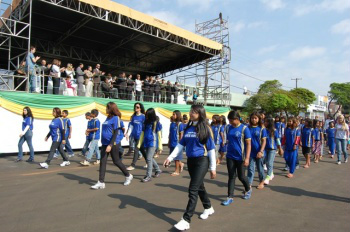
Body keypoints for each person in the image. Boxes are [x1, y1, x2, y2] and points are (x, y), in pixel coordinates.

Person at [163, 105, 216, 231]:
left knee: (193, 189)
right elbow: (180, 145)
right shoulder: (188, 128)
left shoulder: (206, 128)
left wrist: (212, 168)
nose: (191, 113)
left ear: (201, 113)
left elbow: (211, 149)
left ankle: (186, 219)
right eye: (191, 111)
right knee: (199, 187)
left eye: (195, 112)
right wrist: (170, 158)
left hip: (202, 161)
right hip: (191, 161)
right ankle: (208, 207)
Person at [91, 102, 133, 189]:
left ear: (111, 108)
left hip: (113, 143)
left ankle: (128, 175)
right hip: (104, 143)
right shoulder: (107, 118)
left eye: (107, 107)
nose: (106, 109)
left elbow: (116, 132)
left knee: (116, 161)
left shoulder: (116, 118)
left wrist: (110, 145)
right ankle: (101, 182)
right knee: (103, 162)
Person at [221, 111, 252, 206]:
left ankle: (248, 189)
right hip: (230, 156)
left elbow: (248, 144)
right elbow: (228, 139)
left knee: (241, 176)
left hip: (241, 157)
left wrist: (247, 158)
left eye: (231, 120)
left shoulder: (244, 129)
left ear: (237, 119)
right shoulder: (228, 127)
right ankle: (230, 197)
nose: (230, 122)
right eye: (229, 120)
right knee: (231, 176)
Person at [136, 108, 163, 182]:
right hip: (146, 142)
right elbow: (142, 133)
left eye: (148, 114)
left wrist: (160, 146)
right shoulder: (145, 122)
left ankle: (148, 176)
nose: (146, 115)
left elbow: (159, 134)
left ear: (151, 115)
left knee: (148, 158)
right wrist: (139, 144)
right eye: (146, 114)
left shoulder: (156, 122)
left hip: (153, 142)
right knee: (150, 158)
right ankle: (158, 170)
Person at [247, 112, 267, 189]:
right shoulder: (247, 128)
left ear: (259, 119)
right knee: (250, 169)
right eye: (252, 118)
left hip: (259, 152)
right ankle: (249, 184)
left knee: (260, 168)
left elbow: (264, 141)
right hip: (250, 152)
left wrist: (261, 151)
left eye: (255, 118)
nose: (254, 120)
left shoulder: (262, 128)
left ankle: (262, 181)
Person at [126, 103, 146, 171]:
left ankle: (133, 165)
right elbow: (131, 126)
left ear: (140, 108)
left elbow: (145, 127)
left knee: (136, 149)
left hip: (140, 136)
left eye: (137, 107)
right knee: (142, 150)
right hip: (135, 135)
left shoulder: (143, 116)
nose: (136, 108)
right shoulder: (134, 116)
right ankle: (149, 162)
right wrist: (128, 134)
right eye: (135, 106)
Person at [264, 118, 283, 185]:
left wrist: (280, 148)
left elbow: (277, 140)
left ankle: (268, 177)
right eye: (265, 121)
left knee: (269, 162)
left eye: (267, 122)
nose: (265, 123)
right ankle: (271, 173)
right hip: (265, 149)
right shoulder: (264, 130)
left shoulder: (274, 130)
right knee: (266, 162)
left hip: (272, 149)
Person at [168, 110, 185, 176]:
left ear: (177, 115)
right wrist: (169, 142)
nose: (173, 115)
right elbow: (170, 133)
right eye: (173, 114)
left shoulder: (180, 124)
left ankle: (176, 171)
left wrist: (180, 143)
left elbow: (181, 134)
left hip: (177, 143)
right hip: (172, 142)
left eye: (174, 114)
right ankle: (181, 164)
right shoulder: (171, 124)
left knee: (176, 158)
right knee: (172, 157)